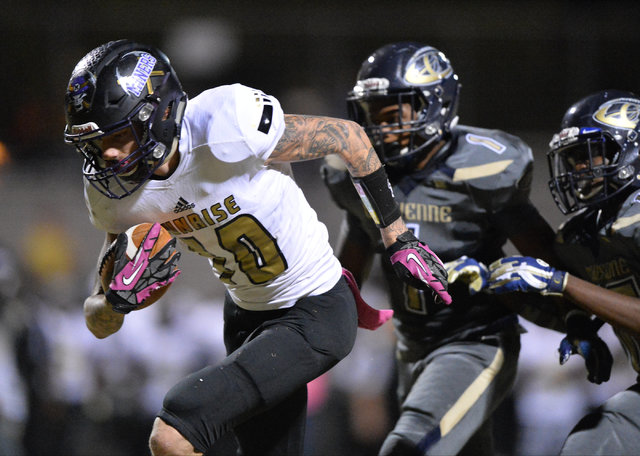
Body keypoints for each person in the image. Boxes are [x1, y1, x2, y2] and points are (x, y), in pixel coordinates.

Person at [62, 39, 451, 456]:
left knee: (174, 430)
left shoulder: (227, 123)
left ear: (157, 112)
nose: (108, 154)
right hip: (244, 318)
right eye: (96, 143)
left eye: (118, 134)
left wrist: (398, 237)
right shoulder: (113, 196)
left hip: (314, 308)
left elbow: (348, 137)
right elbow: (98, 320)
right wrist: (116, 304)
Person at [322, 42, 559, 455]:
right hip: (409, 347)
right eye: (371, 115)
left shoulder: (486, 167)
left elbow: (551, 263)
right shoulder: (353, 176)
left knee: (408, 447)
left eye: (392, 113)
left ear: (436, 105)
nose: (380, 129)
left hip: (475, 339)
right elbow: (348, 275)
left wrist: (573, 317)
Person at [486, 89, 640, 455]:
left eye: (588, 155)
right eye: (571, 159)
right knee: (589, 445)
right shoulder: (591, 233)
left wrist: (563, 284)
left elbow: (564, 282)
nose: (577, 169)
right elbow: (561, 281)